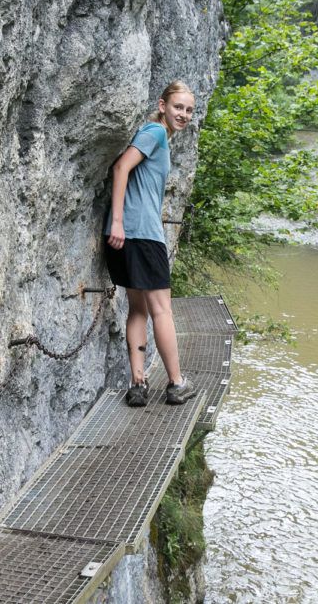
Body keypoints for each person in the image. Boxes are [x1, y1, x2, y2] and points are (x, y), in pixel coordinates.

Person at [103, 81, 196, 407]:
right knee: (162, 310)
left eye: (189, 110)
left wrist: (118, 225)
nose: (183, 114)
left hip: (129, 236)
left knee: (138, 308)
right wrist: (117, 221)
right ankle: (177, 383)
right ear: (162, 105)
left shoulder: (159, 137)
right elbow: (121, 167)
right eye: (178, 107)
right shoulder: (155, 132)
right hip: (141, 235)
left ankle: (138, 384)